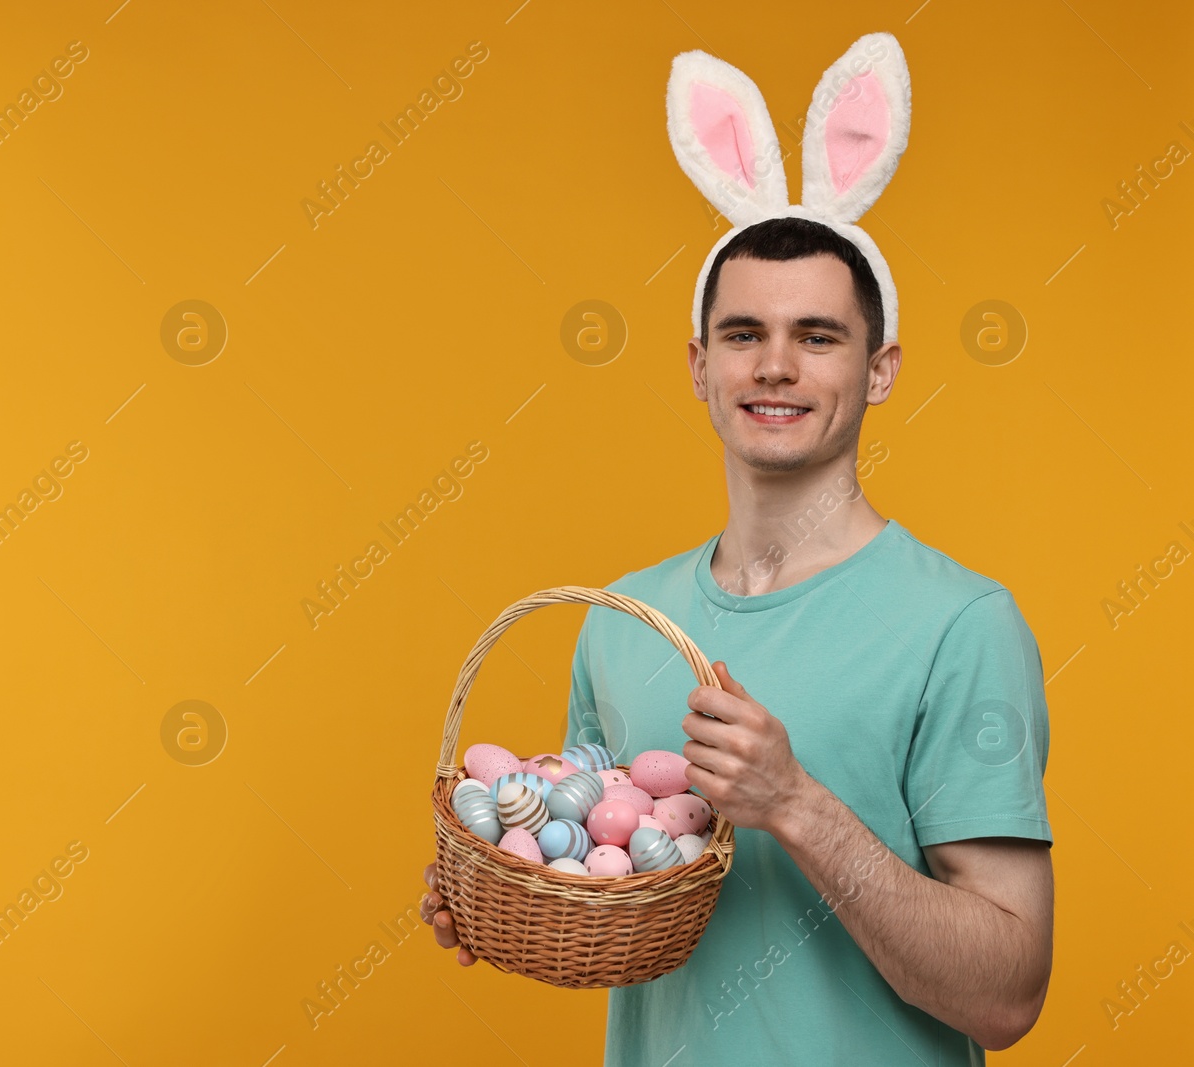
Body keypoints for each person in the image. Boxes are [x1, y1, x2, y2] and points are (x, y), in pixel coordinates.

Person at [420, 214, 1054, 1064]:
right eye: (743, 333)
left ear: (880, 370)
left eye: (818, 336)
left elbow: (1006, 994)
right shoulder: (622, 617)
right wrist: (510, 880)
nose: (775, 365)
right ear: (699, 365)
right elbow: (604, 875)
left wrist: (794, 803)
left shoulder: (962, 624)